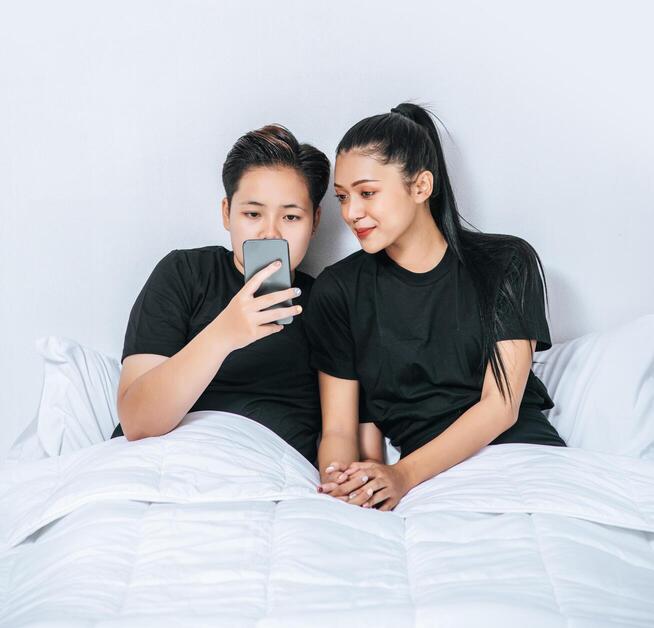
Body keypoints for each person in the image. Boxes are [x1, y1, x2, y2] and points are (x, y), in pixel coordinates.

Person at [304, 102, 566, 510]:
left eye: (367, 192)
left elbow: (501, 407)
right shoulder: (338, 291)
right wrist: (344, 482)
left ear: (421, 186)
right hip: (431, 487)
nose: (352, 213)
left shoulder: (505, 263)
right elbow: (338, 428)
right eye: (342, 197)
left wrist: (402, 474)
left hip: (522, 460)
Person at [111, 123, 330, 464]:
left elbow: (342, 431)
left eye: (290, 216)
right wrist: (224, 334)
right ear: (227, 213)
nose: (270, 232)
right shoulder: (184, 274)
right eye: (252, 213)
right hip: (165, 462)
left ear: (314, 221)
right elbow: (136, 422)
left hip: (267, 472)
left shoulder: (327, 302)